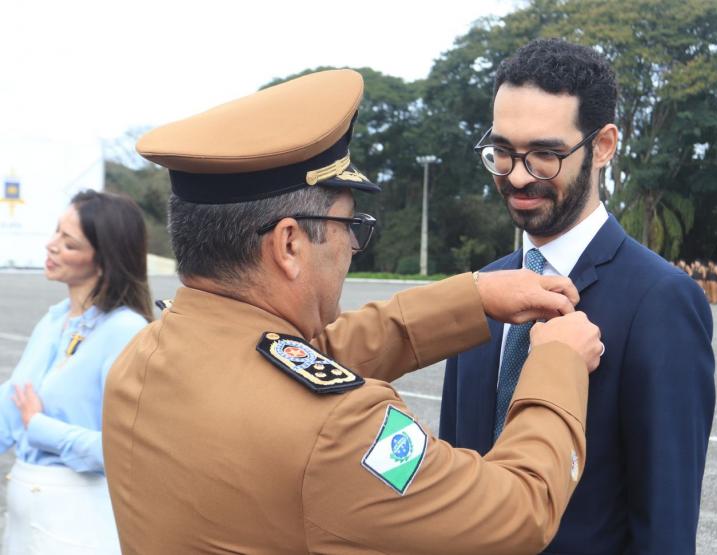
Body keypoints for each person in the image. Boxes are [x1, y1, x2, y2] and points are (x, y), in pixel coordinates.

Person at [102, 68, 604, 554]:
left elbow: (293, 364)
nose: (350, 247)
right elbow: (518, 512)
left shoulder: (141, 359)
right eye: (349, 224)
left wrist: (470, 297)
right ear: (289, 245)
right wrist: (556, 365)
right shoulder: (341, 429)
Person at [440, 38, 716, 554]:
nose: (518, 175)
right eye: (501, 152)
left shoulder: (660, 300)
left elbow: (666, 521)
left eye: (545, 155)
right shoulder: (480, 290)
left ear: (604, 145)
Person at [0, 190, 151, 554]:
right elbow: (9, 411)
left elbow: (126, 452)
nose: (50, 246)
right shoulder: (52, 321)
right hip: (23, 525)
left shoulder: (125, 332)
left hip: (79, 526)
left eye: (68, 243)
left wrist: (39, 427)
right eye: (55, 233)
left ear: (104, 259)